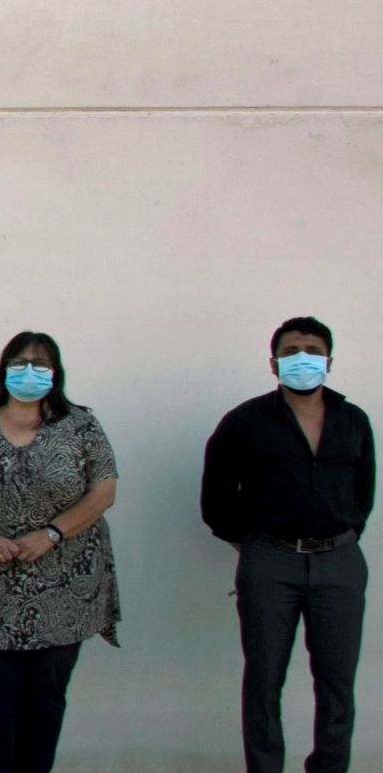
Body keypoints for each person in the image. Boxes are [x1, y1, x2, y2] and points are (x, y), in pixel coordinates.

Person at [0, 331, 119, 773]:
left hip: (62, 589)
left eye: (40, 364)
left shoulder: (81, 425)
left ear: (56, 374)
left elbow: (104, 491)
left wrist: (51, 533)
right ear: (2, 369)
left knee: (44, 699)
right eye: (20, 362)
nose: (29, 371)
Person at [201, 316, 374, 773]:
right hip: (270, 562)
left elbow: (364, 491)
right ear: (273, 363)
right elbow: (216, 498)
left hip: (340, 562)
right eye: (291, 351)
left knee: (337, 683)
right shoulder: (245, 422)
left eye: (313, 350)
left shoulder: (353, 421)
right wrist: (255, 547)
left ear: (329, 361)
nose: (302, 358)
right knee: (264, 679)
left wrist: (343, 538)